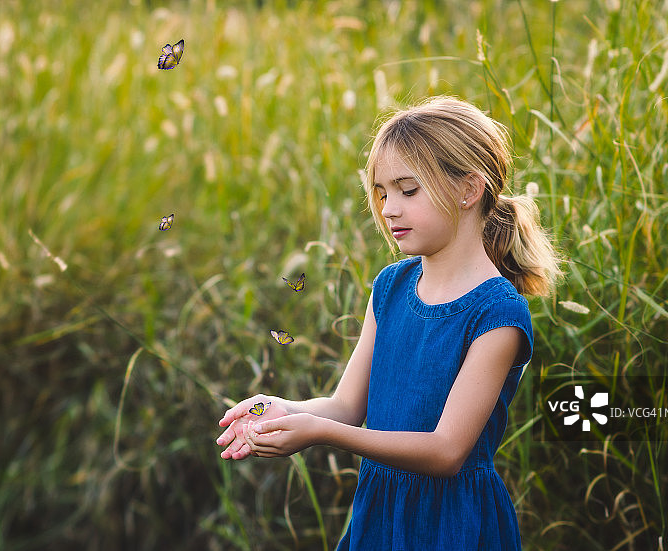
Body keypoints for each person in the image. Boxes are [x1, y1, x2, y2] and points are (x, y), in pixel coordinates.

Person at [216, 96, 561, 549]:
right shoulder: (391, 287)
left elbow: (446, 451)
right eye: (381, 193)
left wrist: (321, 433)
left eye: (408, 190)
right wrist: (284, 409)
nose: (389, 209)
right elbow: (346, 407)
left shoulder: (497, 314)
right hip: (379, 516)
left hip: (451, 524)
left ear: (469, 189)